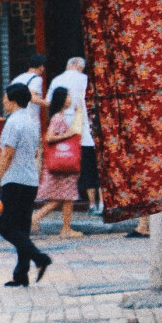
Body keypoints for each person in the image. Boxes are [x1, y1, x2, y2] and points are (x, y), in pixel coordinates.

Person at [0, 81, 51, 287]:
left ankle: (39, 257)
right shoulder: (31, 121)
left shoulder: (13, 122)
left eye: (5, 98)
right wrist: (4, 152)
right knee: (22, 228)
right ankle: (21, 274)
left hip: (14, 180)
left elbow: (9, 155)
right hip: (30, 180)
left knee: (5, 227)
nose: (3, 101)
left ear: (13, 101)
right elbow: (32, 151)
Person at [47, 56, 102, 217]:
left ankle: (92, 204)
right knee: (99, 170)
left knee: (85, 170)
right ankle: (104, 204)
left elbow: (50, 103)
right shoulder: (86, 80)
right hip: (91, 132)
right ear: (80, 67)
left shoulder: (57, 80)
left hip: (71, 134)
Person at [32, 85, 83, 240]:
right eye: (67, 96)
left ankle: (65, 228)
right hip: (61, 165)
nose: (70, 99)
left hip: (61, 165)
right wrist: (68, 134)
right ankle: (36, 218)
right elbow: (49, 137)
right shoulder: (57, 118)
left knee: (66, 196)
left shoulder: (58, 116)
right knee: (63, 197)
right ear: (61, 100)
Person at [12, 53, 46, 129]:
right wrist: (48, 103)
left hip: (15, 122)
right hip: (30, 121)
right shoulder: (36, 79)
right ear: (41, 66)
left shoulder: (18, 79)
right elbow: (32, 97)